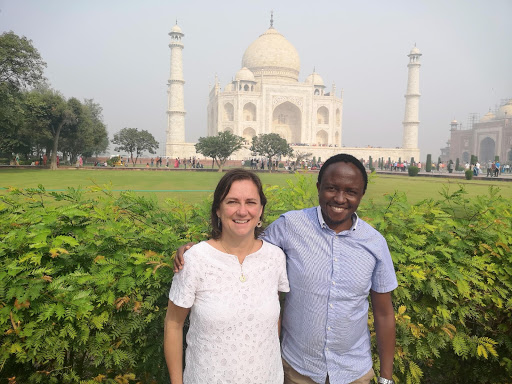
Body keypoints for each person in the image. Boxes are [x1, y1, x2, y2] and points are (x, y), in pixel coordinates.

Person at [174, 154, 397, 384]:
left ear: (361, 194)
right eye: (331, 188)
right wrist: (197, 250)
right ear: (319, 187)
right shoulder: (291, 226)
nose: (340, 198)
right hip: (298, 370)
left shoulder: (374, 243)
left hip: (354, 372)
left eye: (351, 191)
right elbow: (246, 244)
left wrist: (386, 379)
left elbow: (384, 313)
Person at [164, 169, 289, 384]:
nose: (242, 211)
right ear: (218, 210)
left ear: (260, 210)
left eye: (251, 202)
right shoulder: (196, 260)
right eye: (232, 202)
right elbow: (174, 324)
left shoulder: (274, 258)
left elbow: (272, 321)